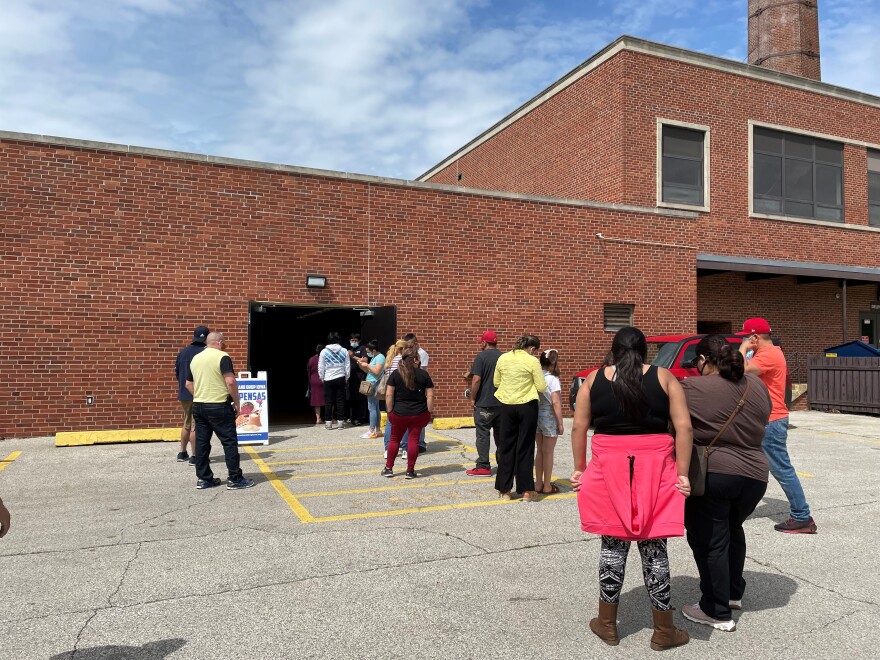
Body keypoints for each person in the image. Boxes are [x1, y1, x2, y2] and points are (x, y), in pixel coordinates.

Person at [570, 326, 691, 650]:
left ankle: (607, 624)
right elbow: (684, 427)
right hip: (656, 466)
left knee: (612, 544)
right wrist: (683, 474)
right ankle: (663, 630)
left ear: (614, 350)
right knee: (655, 548)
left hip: (609, 467)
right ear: (644, 351)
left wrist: (580, 468)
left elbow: (580, 425)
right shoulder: (665, 377)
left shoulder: (593, 380)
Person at [681, 335, 772, 632]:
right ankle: (733, 593)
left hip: (715, 473)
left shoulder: (692, 387)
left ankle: (716, 609)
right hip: (756, 475)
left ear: (704, 360)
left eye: (696, 362)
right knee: (733, 529)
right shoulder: (757, 385)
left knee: (710, 539)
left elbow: (673, 423)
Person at [737, 318, 817, 534]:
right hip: (764, 418)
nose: (744, 340)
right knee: (749, 463)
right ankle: (737, 507)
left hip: (771, 420)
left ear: (755, 337)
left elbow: (741, 369)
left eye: (746, 337)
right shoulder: (767, 353)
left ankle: (802, 516)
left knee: (781, 468)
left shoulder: (769, 355)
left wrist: (743, 348)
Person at [186, 332, 255, 490]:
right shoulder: (222, 356)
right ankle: (235, 478)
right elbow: (230, 381)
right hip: (219, 405)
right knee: (229, 442)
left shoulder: (196, 358)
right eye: (223, 342)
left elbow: (188, 384)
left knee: (202, 443)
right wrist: (237, 403)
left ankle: (204, 479)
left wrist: (200, 395)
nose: (224, 345)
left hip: (199, 405)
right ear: (219, 342)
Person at [492, 335, 546, 501]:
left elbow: (496, 382)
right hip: (527, 405)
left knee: (506, 446)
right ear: (531, 348)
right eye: (535, 350)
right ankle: (526, 491)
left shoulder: (503, 357)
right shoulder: (532, 361)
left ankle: (505, 490)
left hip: (506, 405)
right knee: (525, 447)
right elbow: (541, 387)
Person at [383, 347, 434, 479]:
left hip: (399, 412)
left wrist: (390, 411)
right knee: (413, 441)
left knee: (394, 440)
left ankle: (389, 468)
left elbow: (388, 394)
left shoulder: (396, 374)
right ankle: (410, 470)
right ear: (416, 360)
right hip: (418, 413)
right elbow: (430, 396)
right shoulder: (424, 375)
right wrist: (428, 411)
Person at [466, 330, 503, 476]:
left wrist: (472, 398)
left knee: (483, 434)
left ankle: (483, 466)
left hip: (484, 403)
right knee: (501, 436)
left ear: (484, 343)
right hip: (502, 403)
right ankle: (503, 464)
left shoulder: (481, 357)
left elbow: (476, 379)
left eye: (480, 342)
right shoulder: (503, 357)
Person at [173, 325, 208, 465]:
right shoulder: (204, 353)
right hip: (199, 393)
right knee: (196, 426)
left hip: (184, 393)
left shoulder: (183, 352)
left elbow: (177, 373)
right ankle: (195, 456)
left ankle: (182, 452)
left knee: (186, 423)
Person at [535, 349, 564, 495]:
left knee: (539, 450)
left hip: (536, 415)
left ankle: (538, 483)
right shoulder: (553, 379)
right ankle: (547, 485)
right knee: (549, 452)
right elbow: (556, 402)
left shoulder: (537, 376)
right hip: (549, 417)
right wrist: (560, 423)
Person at [381, 339, 410, 457]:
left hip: (390, 393)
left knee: (390, 421)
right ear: (403, 349)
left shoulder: (389, 360)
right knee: (405, 421)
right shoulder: (402, 361)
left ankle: (388, 449)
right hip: (401, 393)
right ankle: (405, 448)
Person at [318, 332, 350, 430]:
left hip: (328, 378)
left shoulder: (324, 351)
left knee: (328, 401)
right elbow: (347, 365)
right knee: (340, 401)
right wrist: (346, 377)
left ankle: (328, 423)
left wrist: (322, 377)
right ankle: (340, 423)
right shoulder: (344, 351)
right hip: (340, 377)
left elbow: (321, 366)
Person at [403, 332, 429, 452]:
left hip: (418, 386)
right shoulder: (408, 353)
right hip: (409, 384)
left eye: (410, 345)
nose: (408, 348)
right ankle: (409, 441)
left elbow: (422, 370)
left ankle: (420, 442)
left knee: (419, 414)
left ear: (415, 344)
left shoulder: (422, 354)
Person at [357, 340, 386, 439]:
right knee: (376, 408)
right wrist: (361, 365)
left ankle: (372, 430)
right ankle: (377, 429)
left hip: (374, 383)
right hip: (371, 382)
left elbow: (377, 371)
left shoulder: (380, 357)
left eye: (368, 351)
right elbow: (369, 371)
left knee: (372, 408)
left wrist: (367, 365)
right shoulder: (375, 357)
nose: (367, 353)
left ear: (373, 350)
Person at [347, 333, 368, 426]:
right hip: (351, 376)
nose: (354, 342)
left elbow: (365, 360)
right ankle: (352, 417)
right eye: (352, 340)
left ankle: (360, 418)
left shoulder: (362, 348)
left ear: (359, 341)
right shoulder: (348, 349)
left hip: (360, 376)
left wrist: (353, 356)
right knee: (351, 397)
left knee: (360, 397)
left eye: (355, 340)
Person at [307, 344, 325, 424]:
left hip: (314, 380)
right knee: (329, 399)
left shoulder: (311, 359)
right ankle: (330, 418)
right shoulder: (325, 359)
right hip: (324, 379)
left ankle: (318, 418)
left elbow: (308, 371)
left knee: (316, 400)